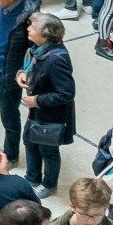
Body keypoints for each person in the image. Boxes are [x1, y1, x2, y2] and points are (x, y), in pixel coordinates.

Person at [16, 13, 74, 192]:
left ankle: (49, 184)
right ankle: (32, 178)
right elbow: (30, 68)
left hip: (51, 115)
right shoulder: (37, 50)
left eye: (33, 28)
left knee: (48, 151)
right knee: (30, 142)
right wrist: (21, 73)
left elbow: (66, 93)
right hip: (37, 112)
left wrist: (38, 101)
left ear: (46, 34)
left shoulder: (56, 60)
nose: (28, 29)